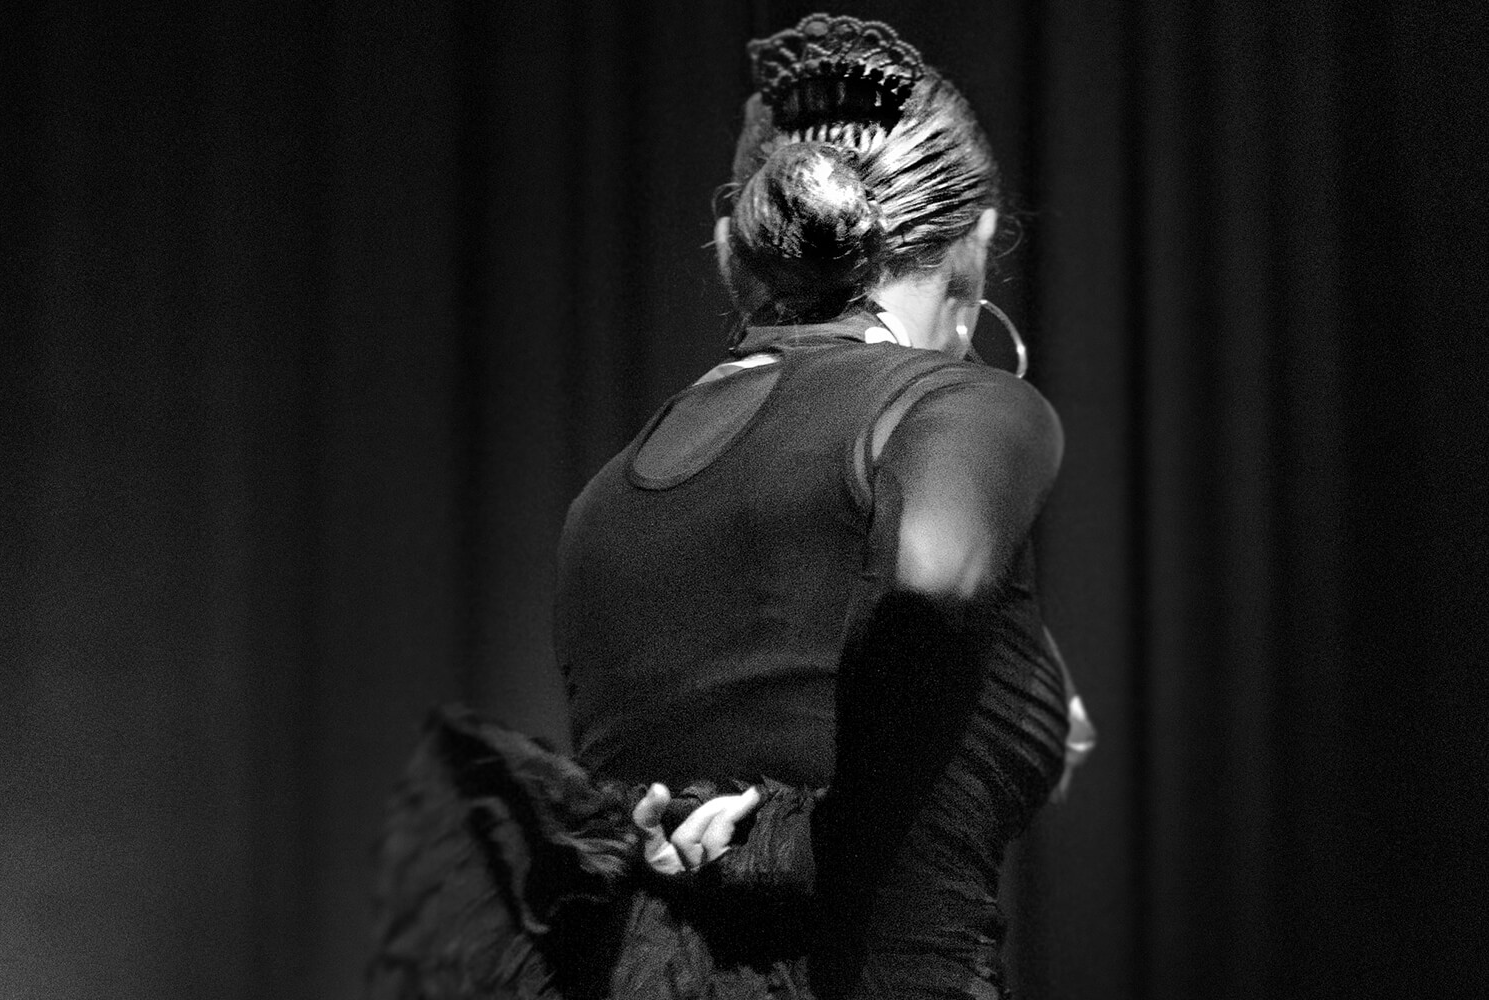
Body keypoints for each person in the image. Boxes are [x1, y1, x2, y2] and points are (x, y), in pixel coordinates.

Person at [367, 13, 1094, 1000]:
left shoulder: (604, 504)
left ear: (735, 244)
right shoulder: (957, 412)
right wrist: (812, 836)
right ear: (968, 251)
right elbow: (927, 593)